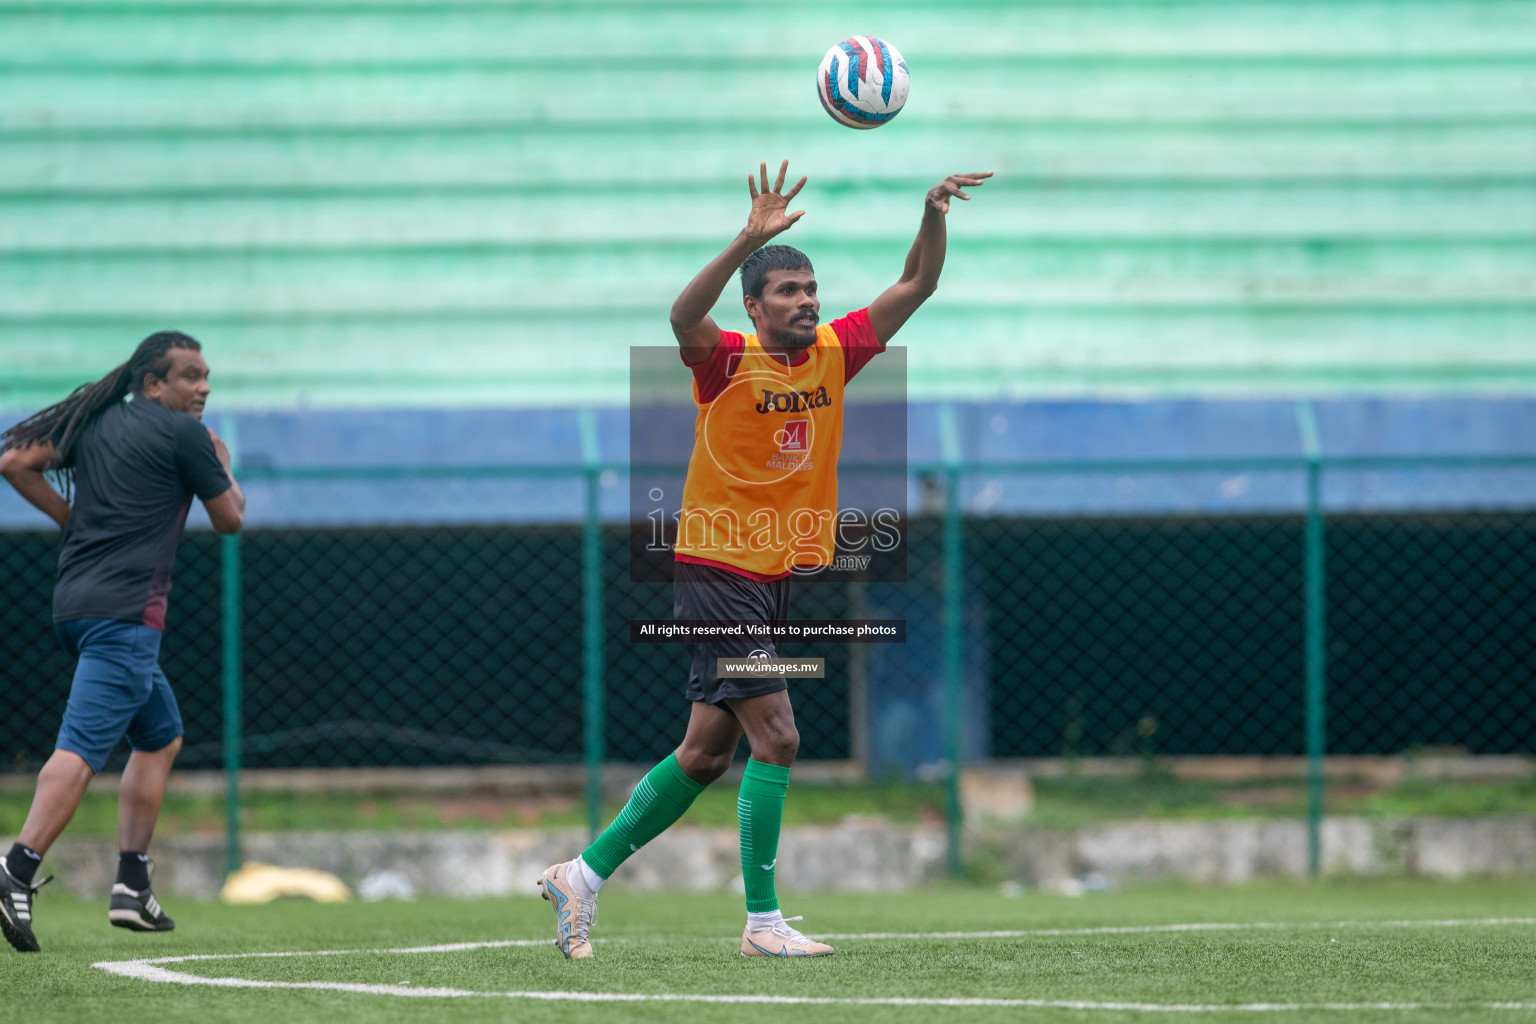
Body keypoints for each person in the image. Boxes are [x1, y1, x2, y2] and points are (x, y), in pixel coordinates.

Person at [539, 160, 991, 959]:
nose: (804, 299)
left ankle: (582, 875)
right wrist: (746, 238)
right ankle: (762, 923)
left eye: (809, 287)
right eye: (785, 290)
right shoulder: (724, 362)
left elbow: (917, 281)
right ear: (753, 307)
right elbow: (682, 315)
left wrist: (933, 211)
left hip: (769, 578)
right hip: (716, 569)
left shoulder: (836, 350)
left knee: (707, 753)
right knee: (777, 735)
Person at [0, 331, 245, 953]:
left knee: (159, 736)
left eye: (206, 375)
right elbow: (231, 519)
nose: (204, 387)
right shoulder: (186, 436)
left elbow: (14, 463)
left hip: (75, 609)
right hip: (127, 617)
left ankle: (131, 885)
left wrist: (70, 520)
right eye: (190, 376)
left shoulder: (97, 422)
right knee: (80, 748)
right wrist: (219, 457)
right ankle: (15, 869)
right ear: (154, 384)